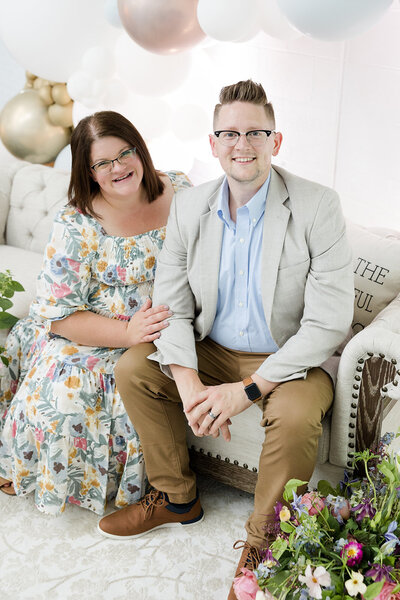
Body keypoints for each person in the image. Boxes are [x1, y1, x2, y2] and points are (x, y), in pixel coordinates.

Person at [97, 81, 354, 599]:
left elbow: (328, 324)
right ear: (213, 143)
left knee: (298, 415)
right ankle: (175, 497)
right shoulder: (190, 207)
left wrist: (248, 390)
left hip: (289, 356)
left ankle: (266, 545)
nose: (243, 144)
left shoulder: (318, 205)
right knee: (133, 367)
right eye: (230, 133)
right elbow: (170, 305)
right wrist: (190, 384)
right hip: (213, 347)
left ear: (275, 142)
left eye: (255, 132)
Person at [0, 111, 191, 514]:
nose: (118, 168)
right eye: (102, 163)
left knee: (137, 387)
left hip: (165, 331)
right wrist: (127, 333)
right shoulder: (77, 221)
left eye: (125, 153)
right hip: (92, 331)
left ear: (140, 148)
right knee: (65, 391)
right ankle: (27, 460)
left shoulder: (180, 192)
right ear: (88, 172)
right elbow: (60, 317)